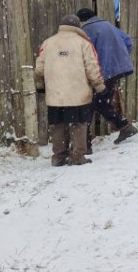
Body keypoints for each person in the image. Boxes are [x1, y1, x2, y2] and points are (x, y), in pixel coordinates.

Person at [35, 14, 106, 166]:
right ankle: (77, 156)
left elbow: (39, 68)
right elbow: (92, 67)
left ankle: (58, 157)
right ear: (77, 27)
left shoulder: (48, 43)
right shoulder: (83, 43)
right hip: (78, 93)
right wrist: (99, 85)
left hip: (55, 95)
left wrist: (40, 85)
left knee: (58, 125)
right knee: (79, 124)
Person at [76, 8, 138, 145]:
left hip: (102, 72)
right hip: (116, 70)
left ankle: (85, 143)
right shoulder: (108, 25)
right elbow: (128, 41)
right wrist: (118, 57)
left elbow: (86, 54)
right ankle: (124, 126)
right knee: (100, 102)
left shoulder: (87, 30)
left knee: (92, 104)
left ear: (81, 20)